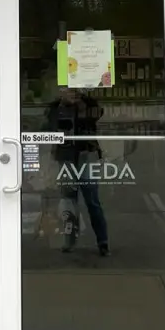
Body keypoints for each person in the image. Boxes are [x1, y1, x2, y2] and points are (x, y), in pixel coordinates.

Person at [45, 86, 111, 257]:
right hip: (66, 156)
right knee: (69, 201)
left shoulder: (89, 104)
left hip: (86, 154)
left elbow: (95, 116)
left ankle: (103, 241)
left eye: (75, 90)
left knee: (92, 201)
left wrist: (80, 103)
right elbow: (50, 125)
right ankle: (69, 240)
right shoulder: (56, 107)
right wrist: (63, 104)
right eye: (68, 90)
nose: (72, 93)